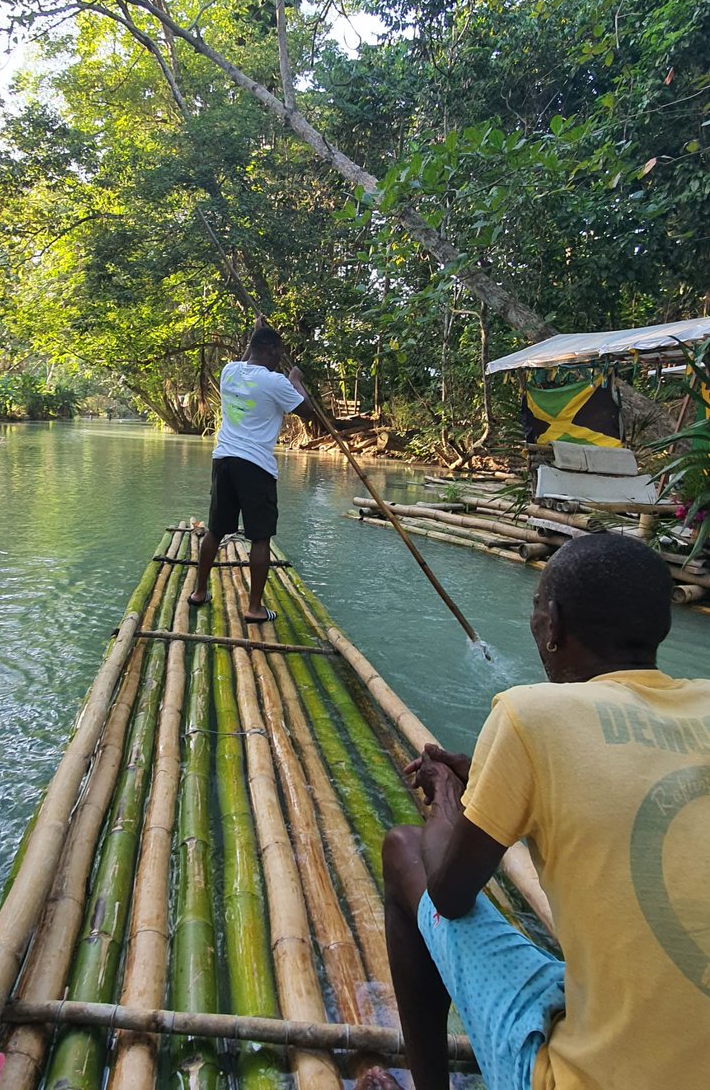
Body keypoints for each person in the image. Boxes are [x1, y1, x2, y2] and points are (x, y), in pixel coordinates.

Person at [370, 532, 710, 1090]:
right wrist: (485, 779)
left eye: (535, 609)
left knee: (403, 848)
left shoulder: (531, 713)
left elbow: (449, 897)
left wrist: (448, 798)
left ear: (552, 624)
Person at [188, 319, 314, 623]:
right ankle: (255, 608)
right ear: (270, 350)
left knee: (216, 530)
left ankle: (199, 592)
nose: (279, 357)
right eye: (278, 351)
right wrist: (296, 380)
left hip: (224, 461)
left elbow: (247, 358)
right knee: (260, 537)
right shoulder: (277, 382)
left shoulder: (229, 371)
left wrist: (256, 332)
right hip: (255, 466)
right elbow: (308, 413)